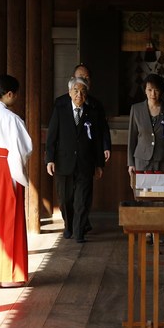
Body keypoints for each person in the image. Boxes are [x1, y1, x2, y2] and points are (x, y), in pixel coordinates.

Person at [0, 74, 33, 288]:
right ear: (9, 94)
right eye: (16, 94)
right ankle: (9, 275)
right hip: (5, 168)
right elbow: (24, 149)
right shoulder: (12, 119)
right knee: (9, 216)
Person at [46, 77, 105, 243]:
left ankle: (79, 232)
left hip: (85, 163)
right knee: (65, 199)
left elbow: (98, 140)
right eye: (76, 91)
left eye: (83, 91)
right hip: (63, 162)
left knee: (82, 199)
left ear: (87, 94)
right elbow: (52, 136)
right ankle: (69, 226)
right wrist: (49, 159)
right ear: (69, 92)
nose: (79, 94)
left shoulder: (92, 112)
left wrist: (99, 164)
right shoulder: (60, 109)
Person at [54, 64, 112, 163]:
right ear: (72, 80)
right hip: (66, 156)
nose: (84, 81)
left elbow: (103, 128)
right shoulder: (60, 102)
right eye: (81, 77)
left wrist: (106, 147)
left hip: (87, 156)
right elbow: (54, 130)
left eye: (87, 78)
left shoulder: (96, 104)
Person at [128, 73, 164, 175]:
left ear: (161, 91)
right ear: (145, 91)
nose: (153, 94)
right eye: (150, 90)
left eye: (156, 90)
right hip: (141, 160)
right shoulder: (136, 109)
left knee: (161, 190)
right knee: (142, 190)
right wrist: (130, 163)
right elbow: (132, 137)